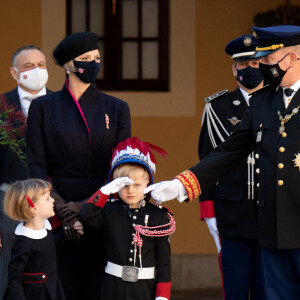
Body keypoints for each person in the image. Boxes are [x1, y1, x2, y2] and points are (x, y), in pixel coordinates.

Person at [145, 25, 300, 300]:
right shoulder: (263, 102)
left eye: (266, 60)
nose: (261, 67)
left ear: (293, 58)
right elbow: (229, 150)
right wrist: (181, 185)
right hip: (273, 229)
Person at [26, 32, 131, 300]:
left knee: (98, 289)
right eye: (86, 59)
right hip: (56, 215)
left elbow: (120, 169)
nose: (94, 64)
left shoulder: (117, 108)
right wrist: (63, 212)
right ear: (69, 65)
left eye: (97, 58)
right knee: (61, 288)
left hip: (101, 212)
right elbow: (36, 166)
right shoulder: (43, 107)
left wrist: (86, 209)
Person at [198, 34, 265, 300]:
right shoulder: (217, 107)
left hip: (271, 213)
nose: (249, 69)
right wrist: (208, 211)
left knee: (268, 291)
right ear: (234, 68)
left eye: (255, 63)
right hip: (231, 213)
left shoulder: (280, 105)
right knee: (234, 290)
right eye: (243, 64)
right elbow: (206, 162)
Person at [78, 137, 174, 300]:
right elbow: (86, 217)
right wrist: (104, 191)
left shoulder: (159, 217)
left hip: (144, 289)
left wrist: (162, 296)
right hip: (112, 287)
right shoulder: (109, 211)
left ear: (148, 184)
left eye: (137, 185)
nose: (131, 190)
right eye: (124, 185)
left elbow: (164, 262)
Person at [0, 45, 51, 299]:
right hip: (8, 199)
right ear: (14, 72)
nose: (37, 70)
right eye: (29, 66)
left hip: (53, 201)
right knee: (9, 267)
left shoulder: (62, 104)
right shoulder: (1, 106)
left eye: (41, 65)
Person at [3, 179, 65, 300]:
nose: (53, 200)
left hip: (53, 290)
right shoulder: (24, 242)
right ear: (33, 208)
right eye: (47, 199)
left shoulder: (46, 225)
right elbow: (14, 279)